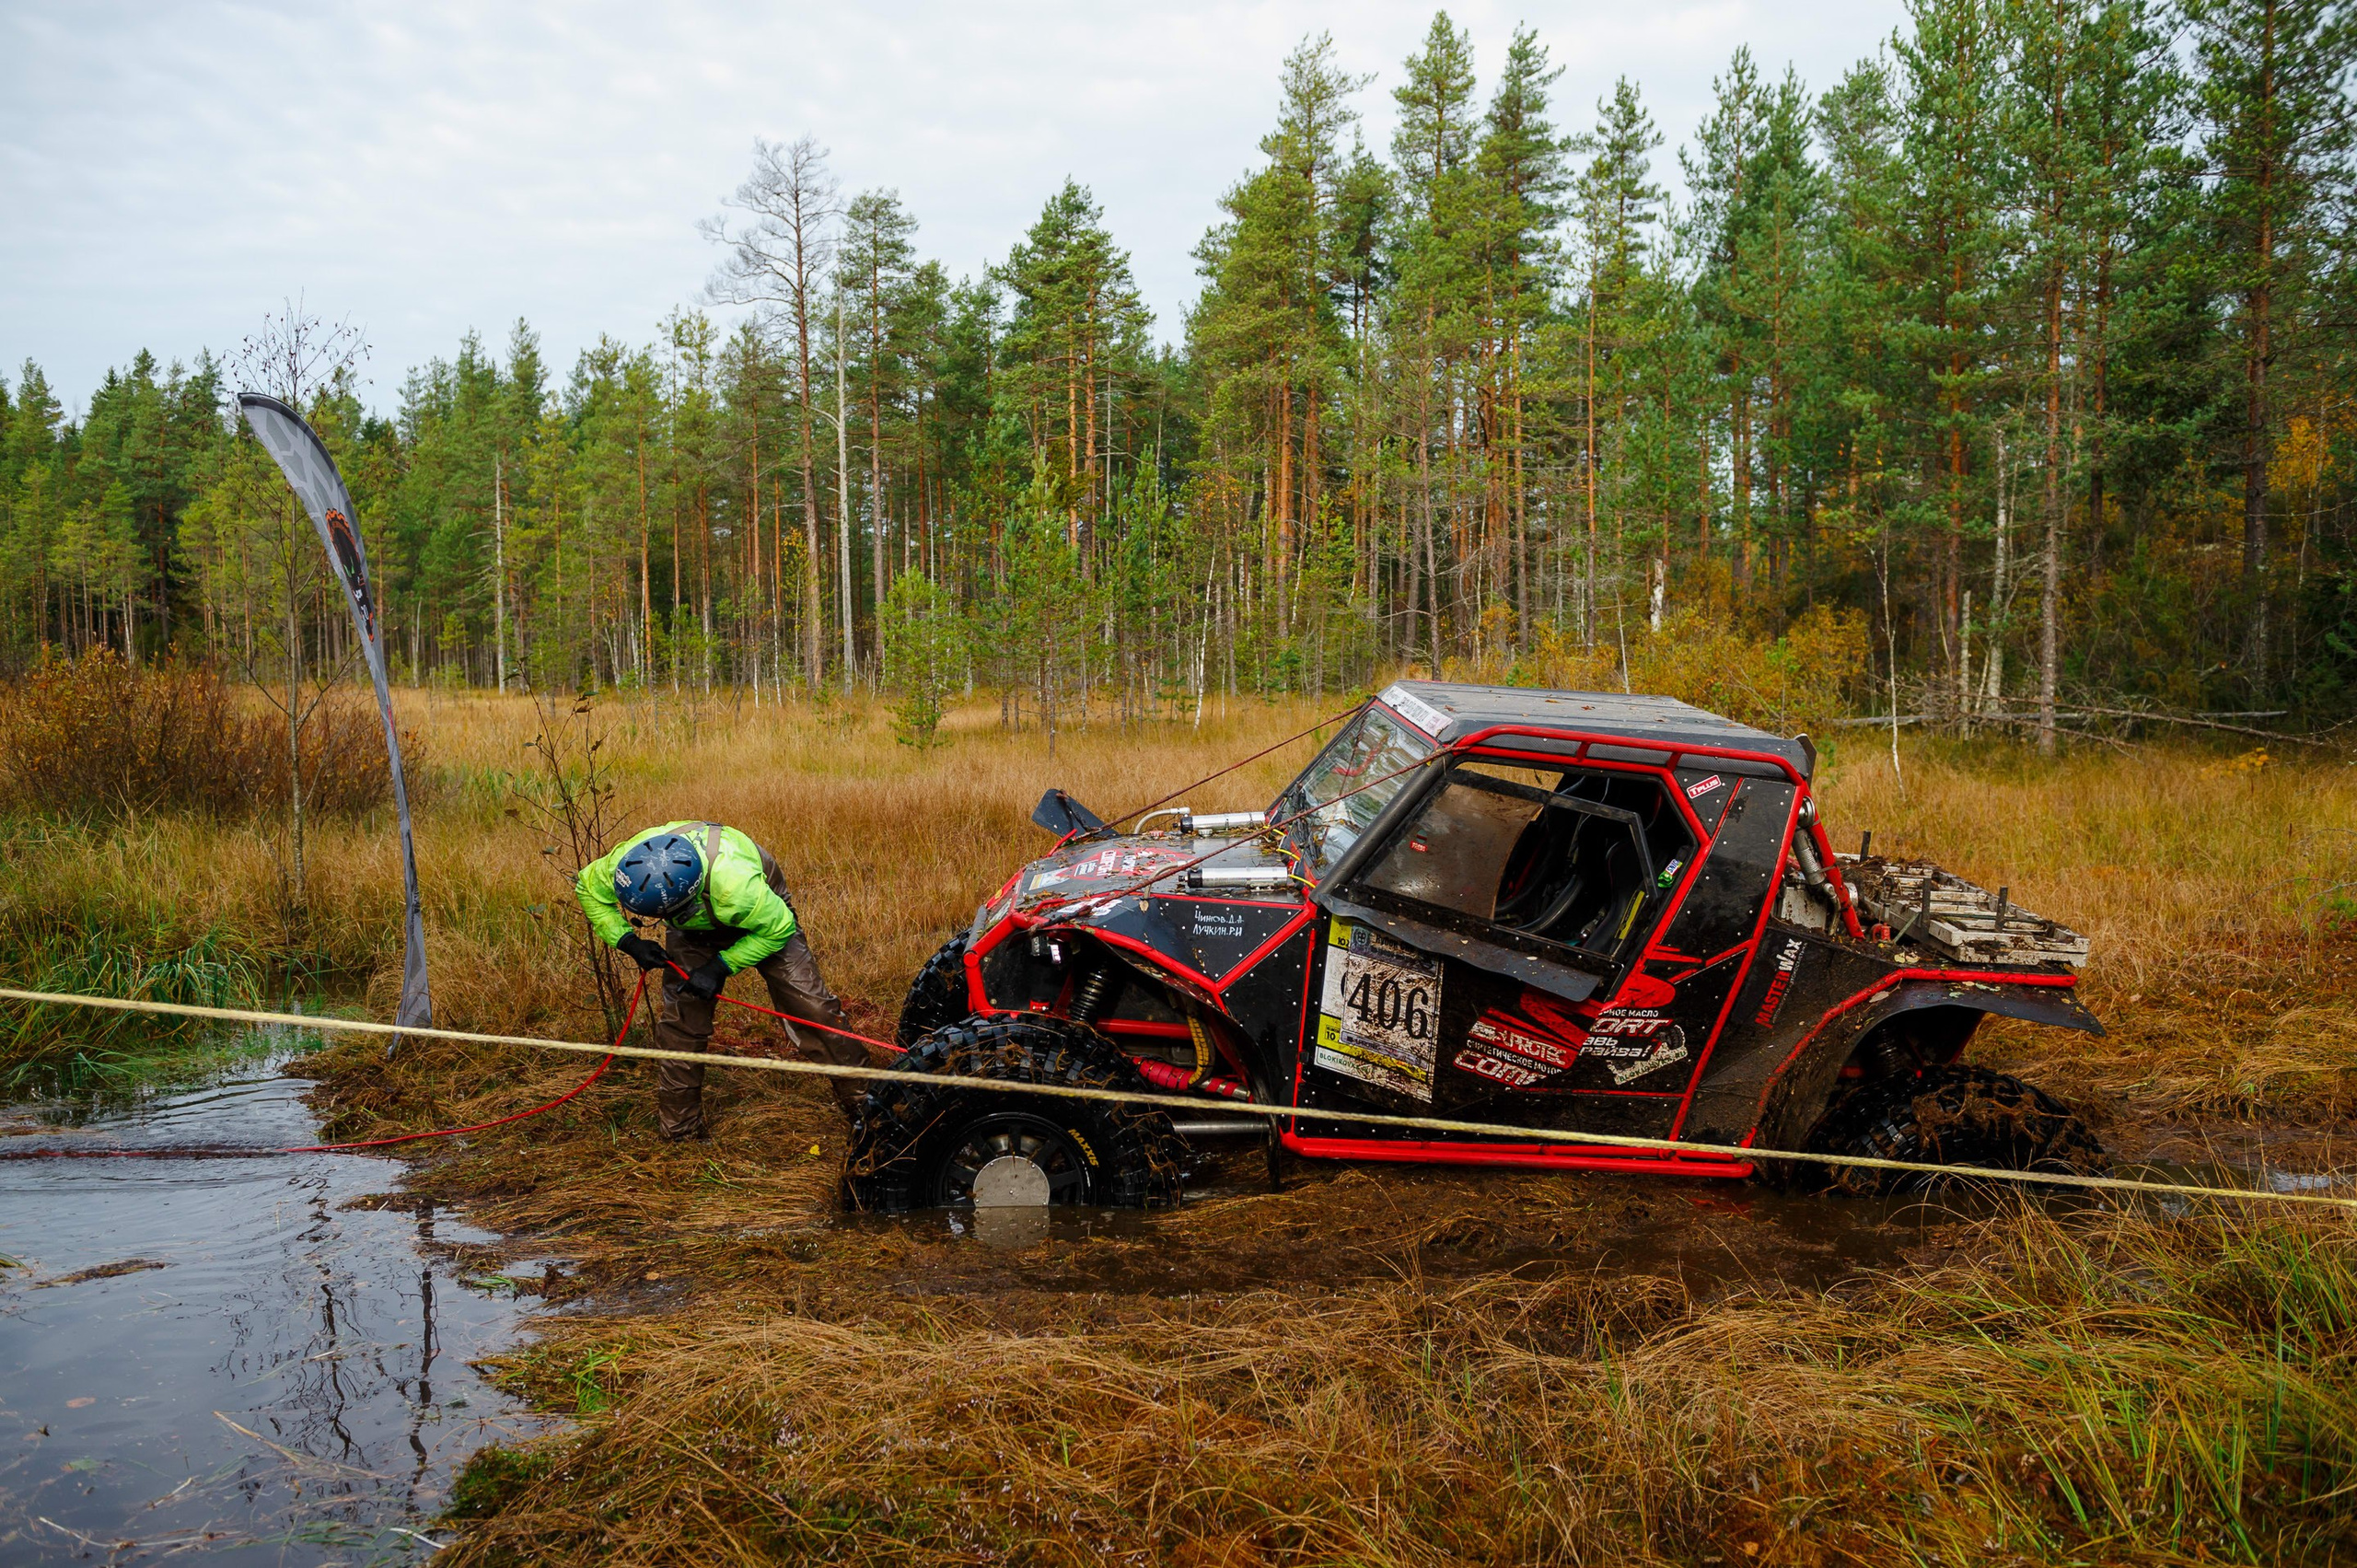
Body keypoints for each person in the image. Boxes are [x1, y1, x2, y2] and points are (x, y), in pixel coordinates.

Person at [576, 821, 864, 1138]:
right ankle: (680, 1131)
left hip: (763, 920)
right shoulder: (624, 866)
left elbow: (778, 928)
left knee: (813, 1011)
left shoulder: (739, 888)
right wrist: (629, 942)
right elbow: (587, 888)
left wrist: (721, 966)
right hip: (691, 923)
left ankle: (868, 1107)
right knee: (682, 1021)